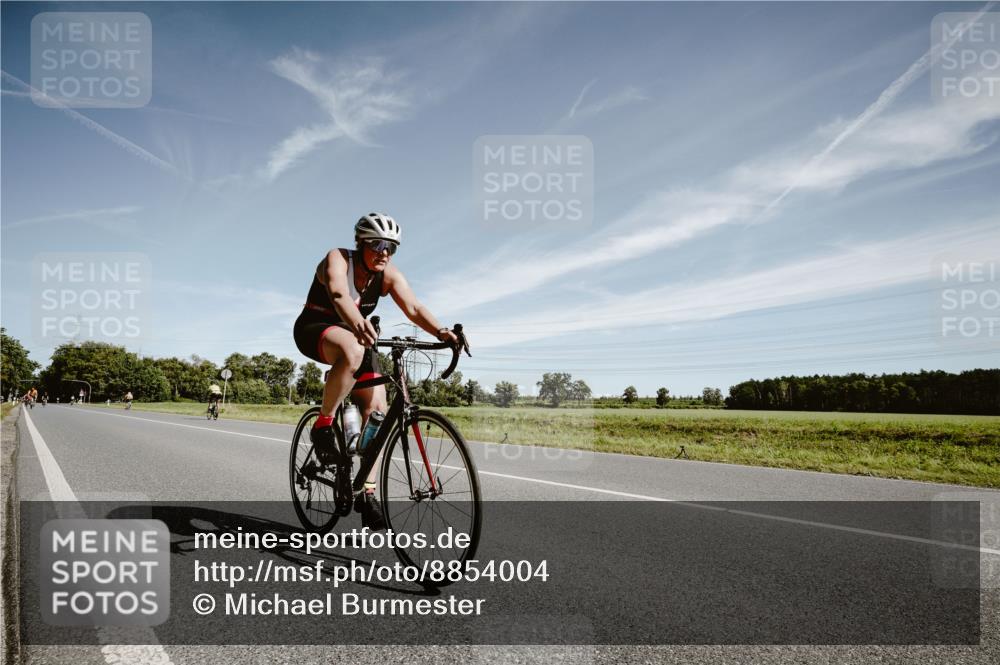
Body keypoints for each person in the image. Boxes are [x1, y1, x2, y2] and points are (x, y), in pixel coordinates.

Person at [293, 212, 460, 530]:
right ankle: (323, 424)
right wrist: (358, 323)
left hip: (358, 335)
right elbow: (339, 294)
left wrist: (442, 332)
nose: (384, 252)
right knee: (353, 349)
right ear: (360, 243)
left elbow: (413, 308)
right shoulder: (339, 258)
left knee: (379, 410)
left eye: (392, 247)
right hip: (316, 327)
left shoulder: (388, 274)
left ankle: (366, 491)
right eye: (378, 244)